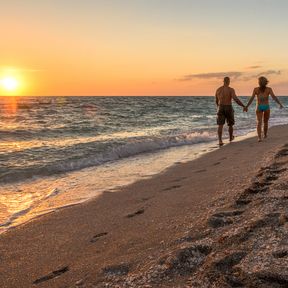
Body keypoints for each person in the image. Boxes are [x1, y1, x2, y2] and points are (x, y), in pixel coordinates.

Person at [245, 76, 283, 142]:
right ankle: (265, 135)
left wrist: (247, 106)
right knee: (265, 122)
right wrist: (279, 104)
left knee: (259, 122)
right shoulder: (269, 89)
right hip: (266, 107)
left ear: (259, 82)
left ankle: (259, 138)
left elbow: (251, 99)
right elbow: (274, 97)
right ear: (266, 82)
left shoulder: (256, 89)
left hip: (259, 107)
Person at [215, 77, 246, 146]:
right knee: (230, 124)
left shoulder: (218, 89)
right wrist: (243, 106)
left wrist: (218, 107)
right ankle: (230, 138)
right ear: (228, 81)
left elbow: (216, 101)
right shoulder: (230, 90)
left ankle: (220, 141)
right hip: (228, 107)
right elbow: (235, 99)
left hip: (220, 107)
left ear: (223, 81)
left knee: (220, 125)